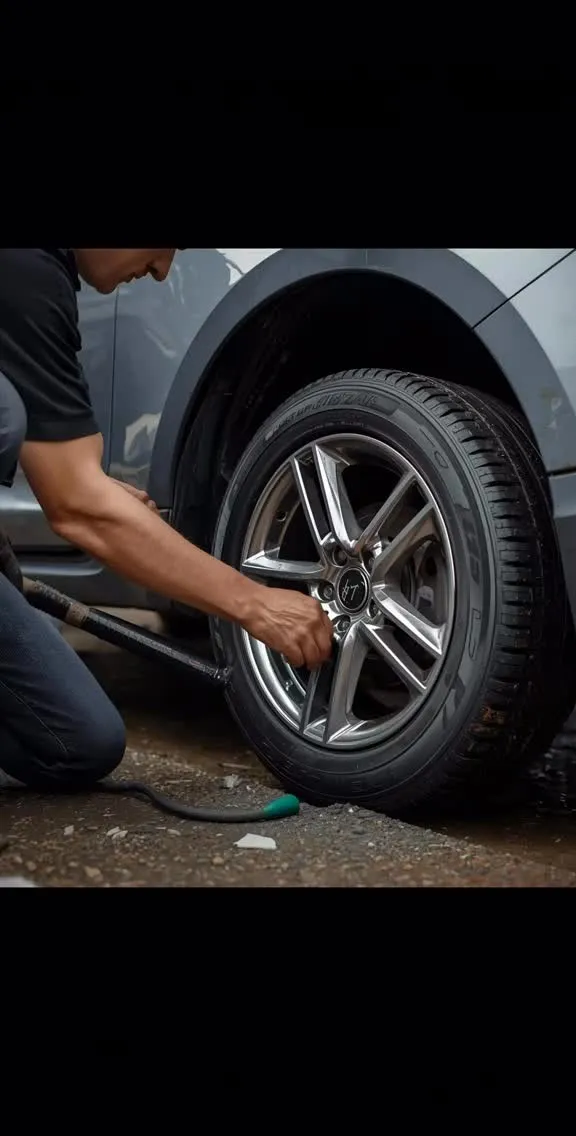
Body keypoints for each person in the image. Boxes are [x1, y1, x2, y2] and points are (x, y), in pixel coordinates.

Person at [0, 248, 333, 791]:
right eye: (164, 246)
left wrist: (97, 496)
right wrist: (256, 604)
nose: (162, 270)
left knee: (81, 743)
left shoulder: (47, 278)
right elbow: (76, 508)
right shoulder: (21, 263)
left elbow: (77, 486)